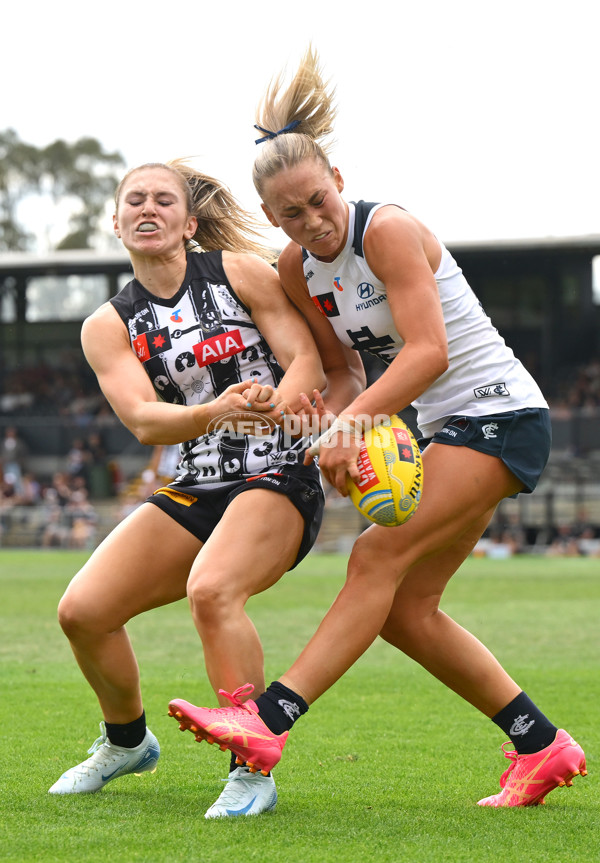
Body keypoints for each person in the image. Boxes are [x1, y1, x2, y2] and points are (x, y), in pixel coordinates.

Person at [168, 48, 586, 809]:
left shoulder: (387, 229)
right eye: (291, 215)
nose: (312, 222)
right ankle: (540, 744)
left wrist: (353, 426)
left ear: (337, 179)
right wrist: (328, 425)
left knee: (373, 557)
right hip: (443, 428)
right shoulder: (298, 268)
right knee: (402, 609)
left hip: (499, 414)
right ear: (272, 219)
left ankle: (266, 721)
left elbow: (429, 352)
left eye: (318, 202)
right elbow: (345, 373)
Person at [48, 159, 327, 819]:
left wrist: (280, 405)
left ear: (188, 221)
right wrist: (216, 412)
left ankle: (251, 766)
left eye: (163, 200)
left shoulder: (238, 272)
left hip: (277, 470)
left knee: (212, 588)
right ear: (116, 223)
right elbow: (144, 420)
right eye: (134, 200)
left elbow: (307, 358)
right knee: (82, 611)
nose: (148, 208)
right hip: (200, 481)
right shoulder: (107, 324)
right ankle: (126, 741)